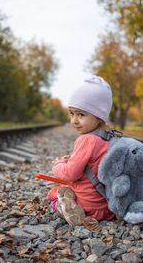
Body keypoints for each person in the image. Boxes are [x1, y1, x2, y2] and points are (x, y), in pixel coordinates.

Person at [47, 75, 115, 226]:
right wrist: (71, 158)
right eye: (72, 113)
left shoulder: (86, 140)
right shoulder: (111, 138)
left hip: (87, 206)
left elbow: (70, 174)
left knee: (53, 193)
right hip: (108, 206)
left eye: (81, 114)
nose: (74, 121)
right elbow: (93, 163)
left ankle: (67, 209)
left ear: (99, 116)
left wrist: (58, 164)